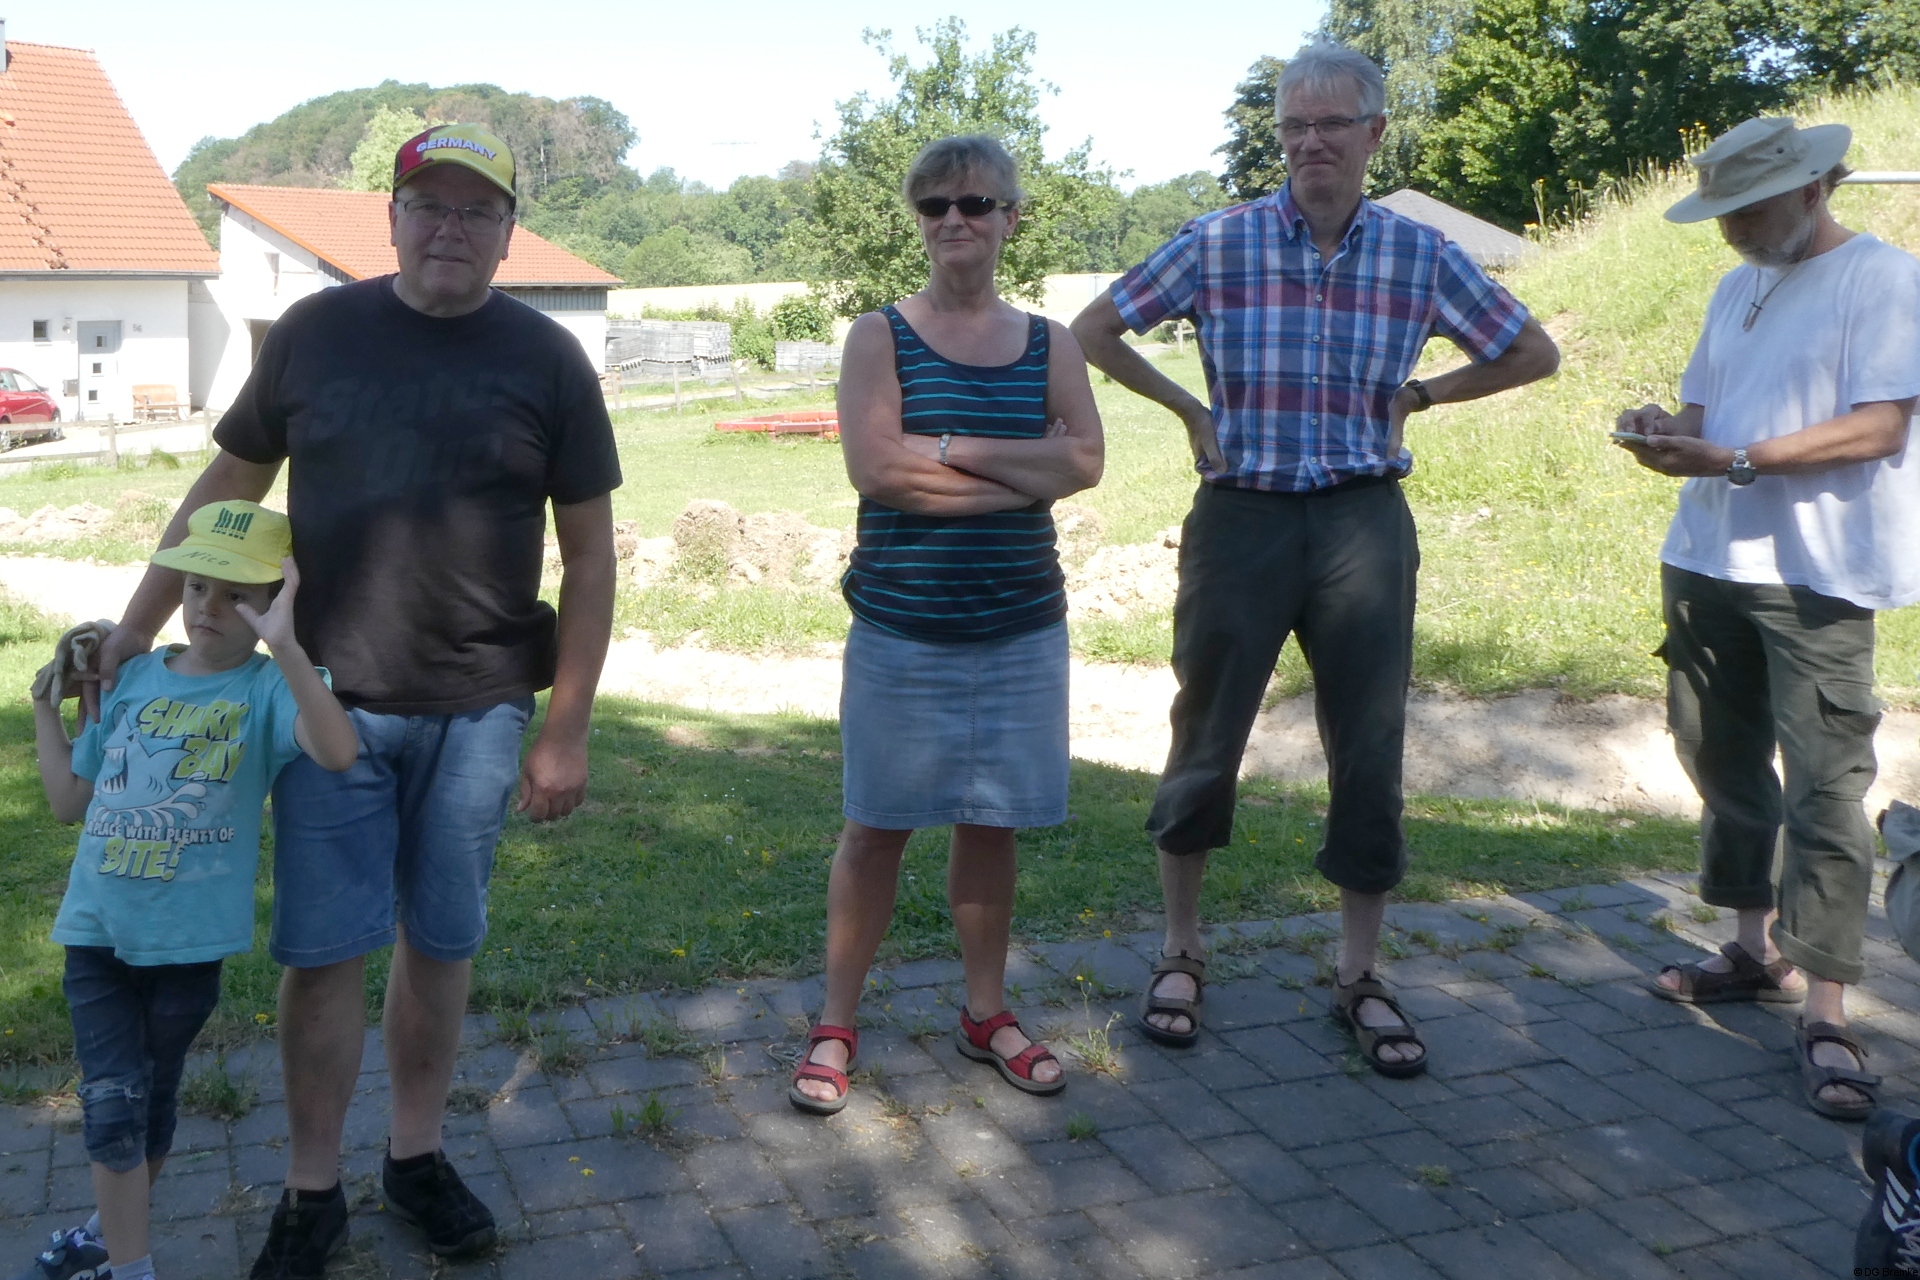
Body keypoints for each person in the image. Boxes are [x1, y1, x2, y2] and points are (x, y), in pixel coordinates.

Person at [87, 124, 621, 1274]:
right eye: (428, 205)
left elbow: (591, 555)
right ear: (390, 218)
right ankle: (310, 1186)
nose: (450, 228)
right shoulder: (316, 334)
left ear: (509, 233)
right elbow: (227, 485)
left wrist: (567, 725)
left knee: (441, 941)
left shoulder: (548, 360)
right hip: (322, 704)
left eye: (476, 211)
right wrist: (134, 626)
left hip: (480, 706)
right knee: (324, 951)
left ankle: (414, 1155)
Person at [1071, 42, 1558, 1076]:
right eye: (1294, 125)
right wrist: (1188, 408)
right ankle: (1180, 949)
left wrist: (1421, 395)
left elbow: (1531, 351)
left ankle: (1360, 972)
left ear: (1375, 133)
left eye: (1332, 124)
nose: (1310, 143)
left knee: (1370, 744)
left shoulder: (1420, 254)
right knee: (1205, 734)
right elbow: (1094, 330)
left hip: (1361, 524)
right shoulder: (1220, 241)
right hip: (1240, 520)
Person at [788, 134, 1104, 1114]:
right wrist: (1019, 472)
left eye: (974, 203)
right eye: (934, 206)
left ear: (1011, 217)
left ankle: (984, 1011)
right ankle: (835, 1021)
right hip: (903, 628)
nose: (954, 220)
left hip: (1021, 628)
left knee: (990, 825)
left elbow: (1085, 461)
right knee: (875, 828)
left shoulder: (1051, 342)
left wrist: (951, 445)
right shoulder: (878, 337)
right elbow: (879, 472)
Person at [1617, 115, 1920, 1120]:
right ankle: (1753, 950)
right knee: (1721, 760)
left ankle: (1828, 1007)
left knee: (1826, 788)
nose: (1731, 228)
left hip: (1817, 577)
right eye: (1722, 211)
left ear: (1811, 188)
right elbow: (1705, 421)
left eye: (1746, 208)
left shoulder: (1883, 279)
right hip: (1707, 558)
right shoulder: (1735, 285)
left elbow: (1880, 426)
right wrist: (1663, 435)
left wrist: (1736, 461)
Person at [19, 502, 358, 1280]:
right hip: (97, 934)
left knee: (150, 1103)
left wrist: (288, 648)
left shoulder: (270, 689)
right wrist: (45, 706)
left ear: (274, 601)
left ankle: (106, 1238)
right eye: (197, 586)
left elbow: (338, 750)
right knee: (112, 1101)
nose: (208, 607)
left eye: (237, 594)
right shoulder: (134, 677)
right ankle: (130, 1267)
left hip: (187, 946)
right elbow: (69, 801)